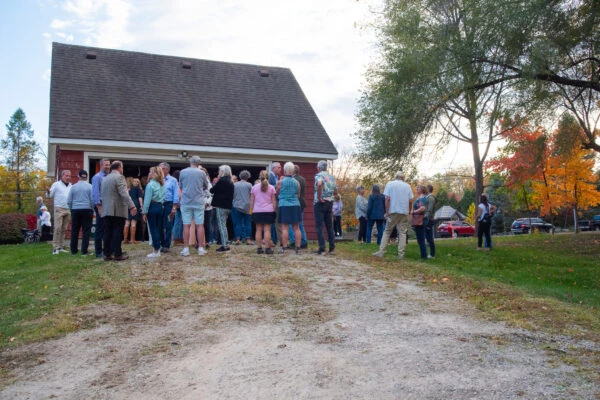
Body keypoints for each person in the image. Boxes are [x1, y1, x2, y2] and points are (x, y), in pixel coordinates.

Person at [101, 161, 137, 261]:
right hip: (117, 209)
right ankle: (117, 254)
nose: (122, 169)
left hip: (106, 209)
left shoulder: (105, 178)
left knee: (107, 232)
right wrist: (132, 206)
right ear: (119, 167)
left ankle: (107, 253)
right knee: (117, 231)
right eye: (122, 167)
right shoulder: (120, 177)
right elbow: (124, 193)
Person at [373, 172, 414, 259]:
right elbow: (410, 201)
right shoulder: (407, 186)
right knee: (402, 233)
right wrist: (409, 211)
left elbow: (387, 199)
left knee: (387, 231)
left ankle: (381, 251)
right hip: (404, 212)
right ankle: (401, 254)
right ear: (403, 178)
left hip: (393, 211)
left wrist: (386, 211)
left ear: (396, 177)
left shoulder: (390, 184)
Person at [178, 156, 209, 257]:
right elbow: (205, 185)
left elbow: (181, 186)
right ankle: (200, 248)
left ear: (190, 162)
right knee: (199, 225)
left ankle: (186, 248)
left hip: (186, 201)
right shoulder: (202, 173)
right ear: (199, 163)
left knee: (186, 225)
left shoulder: (183, 172)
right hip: (198, 201)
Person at [276, 162, 302, 253]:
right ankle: (298, 248)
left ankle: (284, 248)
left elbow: (277, 192)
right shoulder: (297, 182)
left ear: (285, 170)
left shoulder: (281, 182)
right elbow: (298, 195)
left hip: (284, 205)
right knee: (296, 228)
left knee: (285, 228)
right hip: (295, 205)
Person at [67, 170, 93, 255]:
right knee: (86, 231)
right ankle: (84, 251)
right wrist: (92, 209)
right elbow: (92, 200)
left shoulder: (73, 187)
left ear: (78, 176)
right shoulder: (90, 187)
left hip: (75, 210)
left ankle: (73, 250)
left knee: (75, 230)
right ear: (86, 177)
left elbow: (69, 201)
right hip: (87, 209)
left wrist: (71, 209)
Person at [313, 160, 337, 255]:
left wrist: (319, 197)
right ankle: (332, 248)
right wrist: (330, 195)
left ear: (318, 168)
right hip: (329, 202)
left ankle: (322, 248)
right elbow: (336, 191)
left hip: (320, 203)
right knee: (329, 226)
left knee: (319, 226)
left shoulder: (319, 176)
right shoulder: (331, 177)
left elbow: (319, 184)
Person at [46, 170, 72, 255]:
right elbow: (49, 196)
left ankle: (61, 246)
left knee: (64, 228)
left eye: (69, 176)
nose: (68, 177)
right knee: (58, 228)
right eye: (66, 176)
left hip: (68, 208)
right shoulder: (56, 184)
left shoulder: (71, 186)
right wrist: (48, 192)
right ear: (62, 176)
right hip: (59, 208)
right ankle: (55, 247)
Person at [251, 170, 277, 254]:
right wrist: (274, 210)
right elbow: (274, 200)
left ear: (259, 177)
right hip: (268, 210)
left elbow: (252, 200)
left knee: (258, 230)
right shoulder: (271, 187)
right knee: (267, 230)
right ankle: (267, 248)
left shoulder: (254, 187)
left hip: (257, 210)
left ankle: (259, 248)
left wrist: (251, 210)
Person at [142, 166, 165, 258]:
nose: (149, 173)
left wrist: (144, 212)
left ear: (154, 174)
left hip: (152, 206)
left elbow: (147, 200)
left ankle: (156, 250)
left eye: (150, 172)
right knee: (158, 229)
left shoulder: (150, 185)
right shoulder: (161, 184)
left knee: (153, 229)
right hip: (160, 206)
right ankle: (157, 248)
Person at [210, 165, 234, 252]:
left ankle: (225, 245)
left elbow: (212, 190)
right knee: (224, 225)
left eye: (220, 171)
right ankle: (226, 243)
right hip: (227, 206)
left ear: (223, 172)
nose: (218, 172)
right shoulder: (230, 181)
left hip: (221, 205)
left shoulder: (222, 181)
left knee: (221, 225)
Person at [92, 158, 111, 258]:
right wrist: (99, 206)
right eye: (106, 165)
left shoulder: (109, 177)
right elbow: (95, 193)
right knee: (100, 228)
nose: (108, 166)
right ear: (101, 166)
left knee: (107, 228)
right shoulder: (97, 177)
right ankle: (98, 251)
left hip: (108, 204)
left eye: (109, 164)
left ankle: (107, 250)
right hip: (101, 204)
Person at [159, 162, 179, 253]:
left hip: (169, 204)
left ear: (167, 169)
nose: (159, 170)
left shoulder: (173, 180)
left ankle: (167, 245)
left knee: (168, 224)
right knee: (159, 225)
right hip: (159, 204)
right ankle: (161, 243)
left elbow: (176, 194)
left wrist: (174, 207)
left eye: (161, 168)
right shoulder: (157, 179)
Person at [288, 164, 308, 249]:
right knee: (300, 223)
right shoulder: (302, 179)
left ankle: (293, 241)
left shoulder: (293, 180)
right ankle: (304, 241)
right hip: (302, 202)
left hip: (294, 202)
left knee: (290, 222)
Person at [231, 170, 253, 245]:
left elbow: (233, 195)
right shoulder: (249, 185)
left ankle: (238, 239)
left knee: (238, 223)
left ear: (240, 176)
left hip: (237, 205)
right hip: (248, 206)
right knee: (248, 222)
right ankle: (248, 239)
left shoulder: (235, 184)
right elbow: (251, 195)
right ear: (248, 177)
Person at [124, 178, 144, 244]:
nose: (136, 183)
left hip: (128, 206)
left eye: (137, 182)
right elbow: (140, 198)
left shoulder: (128, 189)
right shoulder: (138, 189)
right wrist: (141, 206)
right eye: (135, 181)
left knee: (127, 222)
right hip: (135, 206)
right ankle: (132, 240)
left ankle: (125, 239)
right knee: (133, 222)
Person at [412, 185, 428, 260]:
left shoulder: (423, 198)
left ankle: (424, 256)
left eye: (418, 188)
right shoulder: (419, 198)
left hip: (421, 219)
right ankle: (423, 255)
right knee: (419, 238)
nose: (417, 189)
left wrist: (414, 212)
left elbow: (423, 208)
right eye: (417, 188)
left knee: (421, 238)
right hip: (418, 219)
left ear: (422, 189)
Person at [268, 162, 283, 247]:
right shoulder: (270, 176)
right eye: (279, 167)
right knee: (274, 221)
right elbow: (270, 189)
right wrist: (279, 185)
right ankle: (273, 240)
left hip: (277, 200)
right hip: (272, 201)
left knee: (278, 220)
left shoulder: (276, 177)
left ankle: (279, 240)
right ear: (273, 168)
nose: (280, 169)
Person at [170, 171, 183, 245]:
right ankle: (178, 237)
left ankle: (177, 237)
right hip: (180, 204)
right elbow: (180, 195)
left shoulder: (172, 183)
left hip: (175, 204)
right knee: (179, 222)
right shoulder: (179, 184)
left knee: (177, 221)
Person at [424, 184, 436, 258]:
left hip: (429, 219)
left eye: (426, 189)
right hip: (428, 219)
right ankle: (430, 253)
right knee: (428, 237)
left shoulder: (431, 198)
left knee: (430, 237)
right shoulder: (428, 197)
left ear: (428, 190)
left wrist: (427, 218)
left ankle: (432, 254)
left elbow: (430, 209)